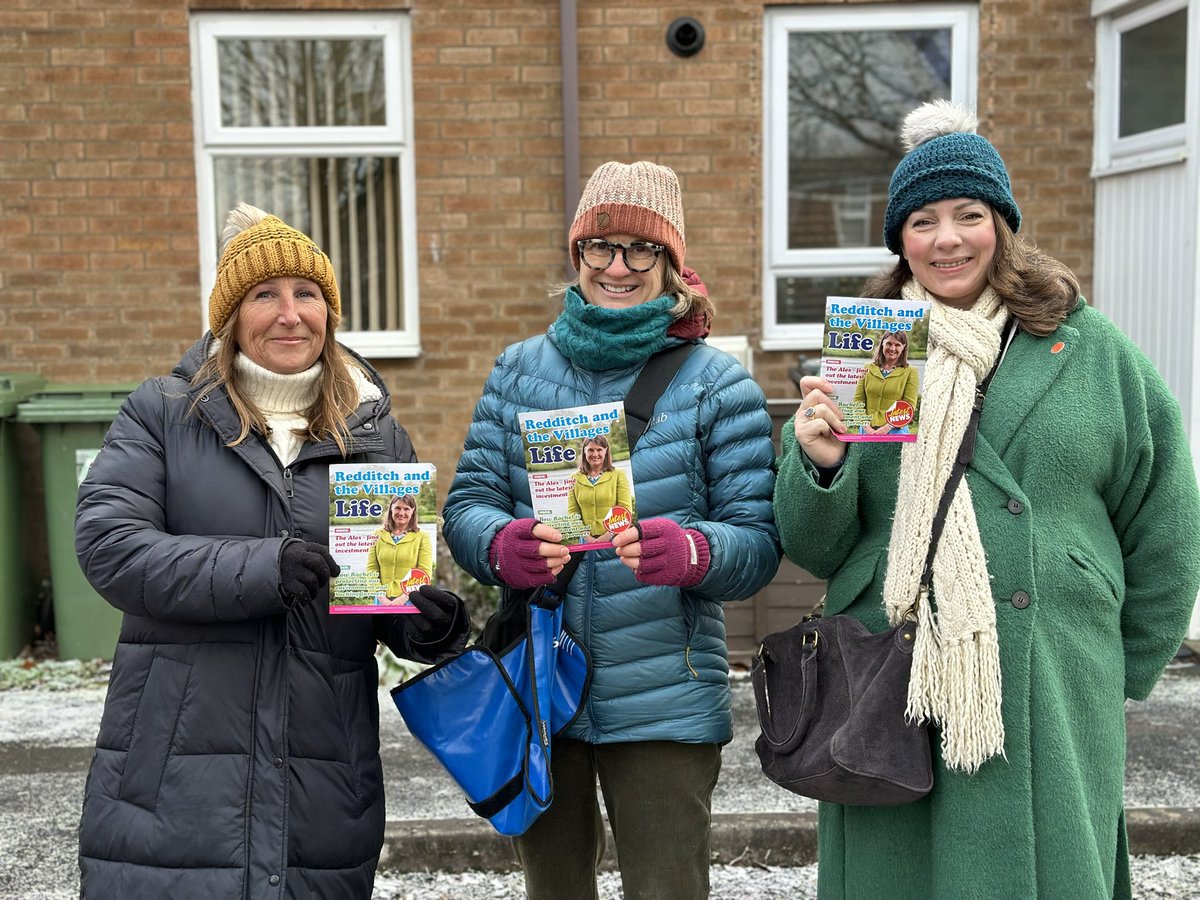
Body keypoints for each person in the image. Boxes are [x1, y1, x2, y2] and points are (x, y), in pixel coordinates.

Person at [773, 100, 1200, 899]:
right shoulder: (874, 350)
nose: (946, 239)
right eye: (923, 221)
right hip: (895, 677)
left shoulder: (1088, 348)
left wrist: (1111, 665)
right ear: (900, 239)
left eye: (968, 214)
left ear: (1002, 226)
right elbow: (816, 546)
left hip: (1051, 679)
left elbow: (1166, 517)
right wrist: (819, 464)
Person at [73, 204, 470, 899]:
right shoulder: (164, 413)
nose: (290, 315)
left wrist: (423, 622)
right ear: (230, 318)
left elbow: (378, 595)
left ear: (330, 312)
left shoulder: (375, 434)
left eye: (307, 294)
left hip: (323, 785)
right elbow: (111, 546)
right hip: (173, 784)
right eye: (265, 295)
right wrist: (265, 567)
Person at [442, 160, 781, 899]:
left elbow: (757, 542)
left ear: (670, 262)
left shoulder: (716, 385)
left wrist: (693, 551)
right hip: (539, 689)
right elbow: (467, 505)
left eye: (641, 248)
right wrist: (504, 547)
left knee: (668, 890)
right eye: (602, 246)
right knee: (553, 890)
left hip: (665, 696)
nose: (618, 266)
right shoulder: (518, 371)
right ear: (578, 255)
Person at [567, 434, 634, 542]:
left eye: (599, 449)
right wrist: (587, 537)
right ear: (584, 451)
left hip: (615, 538)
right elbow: (572, 513)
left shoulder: (618, 474)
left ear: (606, 450)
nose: (595, 454)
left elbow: (625, 510)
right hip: (585, 540)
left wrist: (606, 536)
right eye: (590, 450)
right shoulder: (573, 478)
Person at [367, 494, 434, 599]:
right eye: (397, 508)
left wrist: (402, 599)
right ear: (391, 509)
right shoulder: (377, 534)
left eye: (406, 509)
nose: (401, 513)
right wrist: (381, 597)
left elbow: (423, 574)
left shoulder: (422, 537)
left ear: (413, 511)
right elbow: (371, 570)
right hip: (382, 600)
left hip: (411, 599)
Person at [851, 330, 918, 434]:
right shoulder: (867, 367)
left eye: (897, 345)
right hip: (867, 430)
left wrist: (885, 429)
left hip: (895, 431)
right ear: (882, 343)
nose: (892, 348)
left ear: (903, 347)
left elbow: (908, 406)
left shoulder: (911, 372)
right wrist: (867, 428)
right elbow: (858, 401)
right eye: (889, 343)